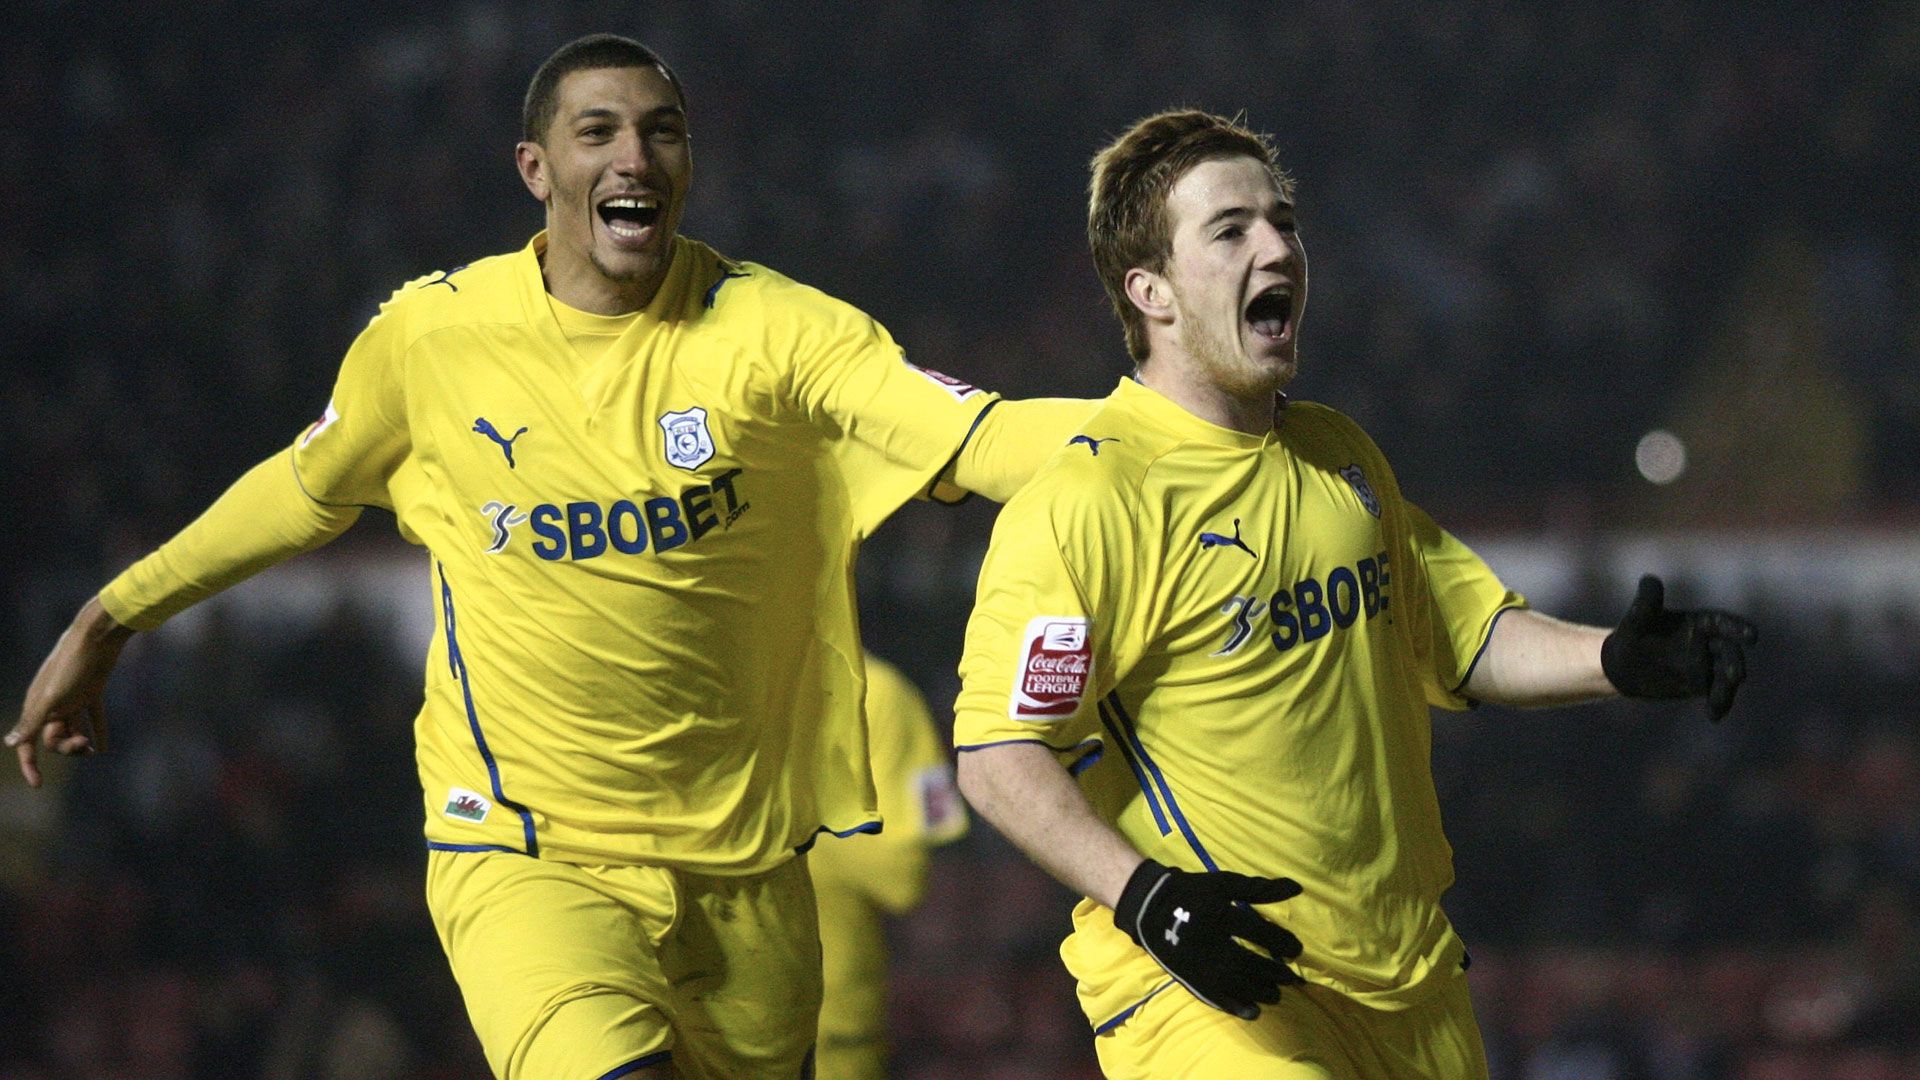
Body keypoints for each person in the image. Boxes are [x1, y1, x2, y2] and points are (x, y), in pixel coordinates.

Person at [11, 34, 1093, 1080]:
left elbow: (981, 433)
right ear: (536, 168)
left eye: (662, 132)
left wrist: (1177, 439)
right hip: (529, 854)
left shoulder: (776, 331)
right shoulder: (435, 341)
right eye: (599, 130)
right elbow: (301, 494)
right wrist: (110, 617)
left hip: (750, 873)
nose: (635, 155)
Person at [950, 110, 1757, 1080]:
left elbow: (1459, 639)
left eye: (1282, 220)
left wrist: (1615, 659)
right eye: (1232, 229)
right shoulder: (1090, 498)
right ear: (1150, 292)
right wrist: (1149, 900)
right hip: (1215, 996)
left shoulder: (1340, 455)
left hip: (1410, 991)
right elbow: (999, 754)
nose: (1277, 244)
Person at [809, 652, 968, 1080]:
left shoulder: (877, 693)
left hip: (829, 1032)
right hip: (688, 1016)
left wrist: (778, 821)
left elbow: (903, 877)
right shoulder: (699, 676)